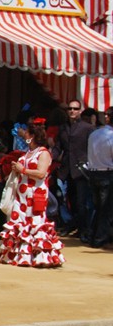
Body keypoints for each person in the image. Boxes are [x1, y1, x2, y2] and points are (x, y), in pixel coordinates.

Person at [0, 118, 64, 267]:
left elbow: (41, 173)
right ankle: (18, 255)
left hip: (35, 195)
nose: (23, 134)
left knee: (35, 223)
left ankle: (39, 256)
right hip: (22, 196)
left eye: (26, 132)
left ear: (32, 136)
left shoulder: (43, 153)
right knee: (19, 221)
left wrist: (23, 170)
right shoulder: (28, 153)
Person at [57, 99, 95, 243]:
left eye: (75, 109)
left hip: (81, 169)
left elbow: (93, 148)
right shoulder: (63, 128)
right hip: (66, 169)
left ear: (80, 111)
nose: (72, 111)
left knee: (82, 202)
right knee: (64, 198)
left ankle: (84, 229)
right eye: (70, 109)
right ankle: (73, 225)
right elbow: (58, 147)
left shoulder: (87, 128)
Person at [84, 106, 113, 248]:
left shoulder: (95, 134)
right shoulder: (110, 135)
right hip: (107, 173)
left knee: (97, 207)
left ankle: (91, 235)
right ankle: (100, 238)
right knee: (105, 208)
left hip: (93, 172)